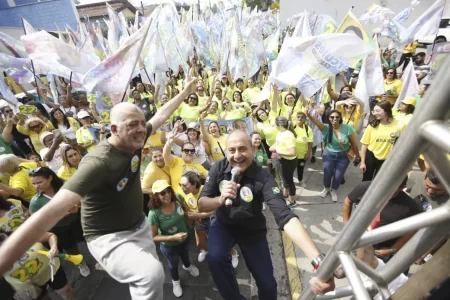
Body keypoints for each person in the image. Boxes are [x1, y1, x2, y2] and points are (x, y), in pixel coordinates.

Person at [0, 77, 198, 300]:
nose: (142, 129)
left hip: (139, 226)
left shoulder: (135, 138)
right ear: (113, 129)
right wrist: (5, 256)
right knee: (151, 274)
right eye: (133, 124)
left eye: (143, 123)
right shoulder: (97, 163)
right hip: (108, 238)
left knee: (148, 271)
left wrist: (184, 91)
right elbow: (52, 210)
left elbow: (161, 114)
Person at [198, 130, 335, 299]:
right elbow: (202, 204)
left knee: (268, 285)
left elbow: (284, 215)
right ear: (226, 152)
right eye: (232, 150)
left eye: (242, 149)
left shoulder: (263, 176)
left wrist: (318, 261)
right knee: (215, 258)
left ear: (253, 149)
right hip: (223, 225)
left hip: (252, 230)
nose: (237, 155)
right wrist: (219, 199)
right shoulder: (218, 168)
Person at [29, 167, 90, 277]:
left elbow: (80, 197)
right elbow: (38, 222)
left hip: (78, 220)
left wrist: (77, 205)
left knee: (89, 239)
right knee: (71, 248)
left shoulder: (64, 188)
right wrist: (58, 216)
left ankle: (101, 256)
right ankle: (80, 263)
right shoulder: (36, 202)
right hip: (60, 229)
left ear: (50, 178)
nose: (36, 186)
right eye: (34, 184)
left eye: (39, 182)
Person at [342, 179, 422, 263]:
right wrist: (346, 223)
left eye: (391, 189)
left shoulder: (410, 207)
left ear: (402, 187)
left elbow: (412, 231)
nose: (385, 191)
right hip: (355, 238)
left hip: (378, 250)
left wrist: (392, 249)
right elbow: (348, 201)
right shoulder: (365, 187)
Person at [148, 180, 199, 297]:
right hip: (169, 246)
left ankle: (187, 266)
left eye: (168, 191)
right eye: (162, 193)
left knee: (185, 254)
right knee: (173, 263)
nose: (167, 195)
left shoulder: (178, 198)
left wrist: (194, 219)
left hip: (185, 238)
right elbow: (153, 236)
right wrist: (173, 237)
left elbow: (186, 210)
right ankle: (175, 282)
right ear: (156, 196)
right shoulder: (154, 214)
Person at [1, 230, 76, 300]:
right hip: (28, 286)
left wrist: (53, 247)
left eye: (1, 238)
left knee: (66, 291)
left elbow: (50, 236)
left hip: (49, 269)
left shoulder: (22, 235)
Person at [307, 109, 361, 202]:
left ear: (340, 118)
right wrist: (309, 115)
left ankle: (333, 190)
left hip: (344, 155)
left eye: (337, 117)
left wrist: (358, 156)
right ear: (328, 118)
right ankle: (326, 188)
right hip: (329, 154)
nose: (334, 119)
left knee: (338, 176)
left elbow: (354, 144)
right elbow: (316, 122)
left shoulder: (348, 128)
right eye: (332, 117)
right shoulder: (325, 127)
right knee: (327, 174)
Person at [360, 101, 402, 181]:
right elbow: (364, 144)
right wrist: (362, 162)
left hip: (386, 159)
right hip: (371, 156)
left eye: (378, 111)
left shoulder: (398, 125)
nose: (375, 113)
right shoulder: (372, 125)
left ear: (386, 111)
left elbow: (400, 145)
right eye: (374, 111)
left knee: (378, 182)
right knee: (366, 180)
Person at [271, 116, 298, 206]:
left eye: (275, 123)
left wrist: (278, 151)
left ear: (280, 125)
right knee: (285, 179)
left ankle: (292, 200)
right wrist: (273, 147)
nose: (274, 125)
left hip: (288, 162)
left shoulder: (288, 135)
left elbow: (292, 152)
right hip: (282, 160)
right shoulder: (280, 132)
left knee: (289, 181)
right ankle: (285, 194)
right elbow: (278, 143)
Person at [293, 112, 313, 188]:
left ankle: (300, 180)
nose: (300, 118)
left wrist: (308, 153)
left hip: (302, 155)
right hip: (292, 155)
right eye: (298, 116)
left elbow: (310, 142)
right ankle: (290, 182)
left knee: (300, 168)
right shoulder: (292, 127)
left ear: (305, 119)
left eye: (302, 117)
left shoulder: (308, 129)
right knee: (291, 169)